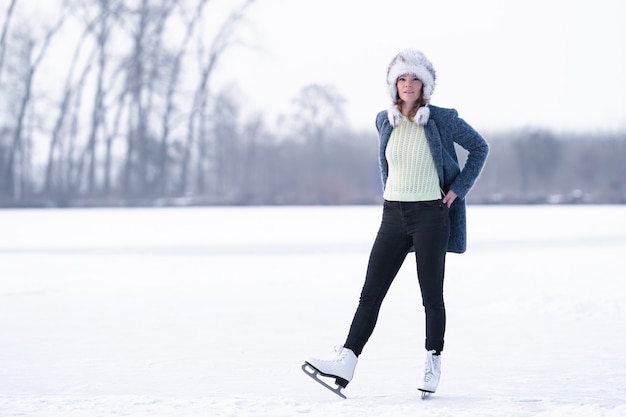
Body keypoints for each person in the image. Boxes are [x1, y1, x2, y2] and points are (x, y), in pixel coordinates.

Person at [303, 48, 489, 397]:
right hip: (393, 215)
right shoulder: (383, 120)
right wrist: (390, 192)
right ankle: (346, 360)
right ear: (393, 84)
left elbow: (480, 148)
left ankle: (432, 363)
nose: (408, 84)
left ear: (425, 85)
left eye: (414, 78)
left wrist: (457, 190)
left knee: (431, 296)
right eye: (401, 79)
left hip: (431, 216)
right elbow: (387, 164)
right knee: (370, 293)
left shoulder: (442, 119)